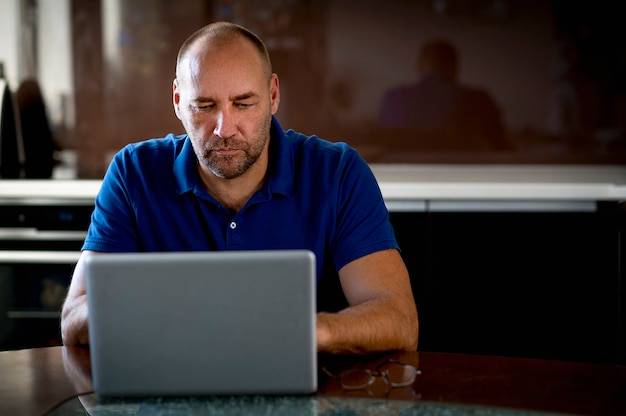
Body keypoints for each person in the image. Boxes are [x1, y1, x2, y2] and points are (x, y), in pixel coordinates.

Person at [61, 21, 418, 354]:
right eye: (204, 106)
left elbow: (399, 319)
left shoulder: (338, 172)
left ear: (273, 96)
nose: (224, 129)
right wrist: (176, 320)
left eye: (243, 104)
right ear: (177, 101)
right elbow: (76, 316)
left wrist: (306, 332)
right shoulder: (133, 172)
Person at [378, 38, 509, 151]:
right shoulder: (478, 99)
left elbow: (380, 141)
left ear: (419, 66)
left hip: (399, 175)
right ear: (455, 67)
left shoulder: (393, 97)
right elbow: (500, 145)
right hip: (461, 173)